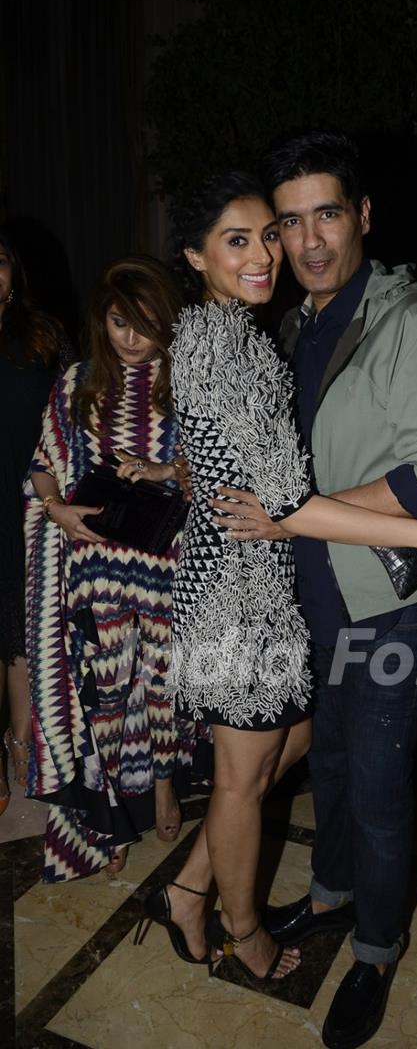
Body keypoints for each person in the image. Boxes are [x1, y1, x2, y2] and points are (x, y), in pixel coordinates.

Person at [137, 170, 417, 994]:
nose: (267, 254)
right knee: (243, 778)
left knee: (275, 753)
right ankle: (238, 930)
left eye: (268, 235)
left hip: (255, 578)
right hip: (238, 592)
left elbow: (267, 489)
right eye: (239, 240)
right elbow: (288, 501)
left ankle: (187, 886)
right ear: (195, 255)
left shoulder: (247, 332)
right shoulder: (226, 341)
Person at [25, 256, 197, 880]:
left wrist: (161, 471)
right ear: (103, 320)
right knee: (105, 694)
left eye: (146, 323)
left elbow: (211, 470)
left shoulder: (187, 384)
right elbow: (43, 462)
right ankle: (110, 818)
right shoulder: (76, 383)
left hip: (165, 566)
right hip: (93, 565)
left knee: (162, 685)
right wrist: (55, 510)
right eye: (120, 321)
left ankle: (162, 785)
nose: (131, 336)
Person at [0, 229, 71, 815]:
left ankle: (22, 744)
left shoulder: (43, 335)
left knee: (21, 630)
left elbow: (70, 411)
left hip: (27, 499)